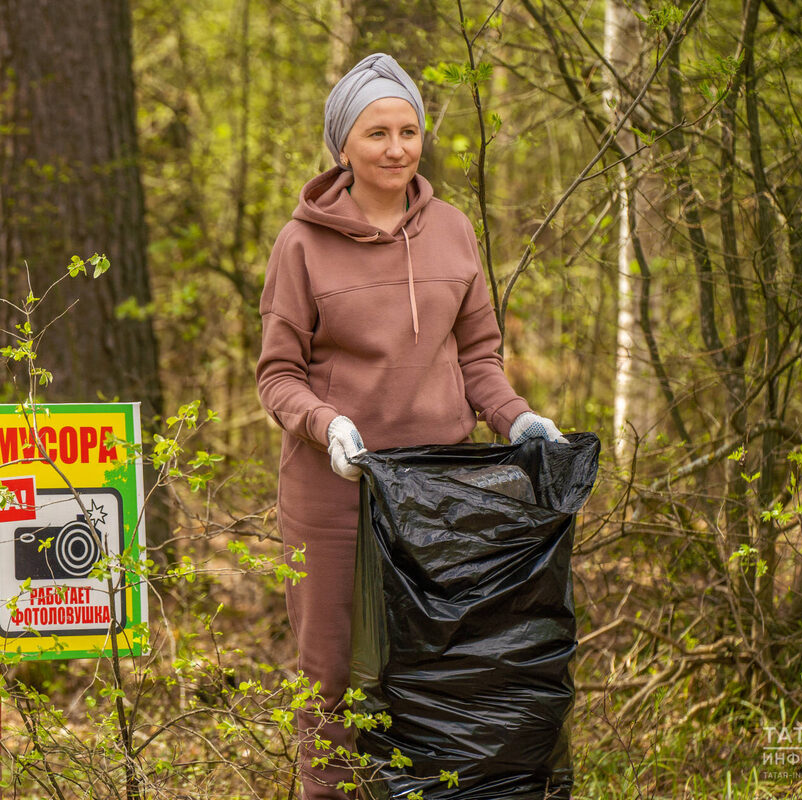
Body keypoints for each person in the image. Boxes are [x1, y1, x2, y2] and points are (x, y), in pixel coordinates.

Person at [255, 53, 567, 800]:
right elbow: (277, 375)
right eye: (376, 134)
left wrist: (518, 417)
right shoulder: (301, 245)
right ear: (343, 147)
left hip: (435, 493)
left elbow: (479, 358)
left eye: (408, 131)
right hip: (336, 494)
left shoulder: (454, 232)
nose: (396, 149)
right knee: (331, 674)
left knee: (429, 669)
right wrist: (326, 425)